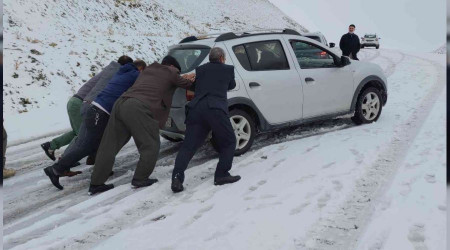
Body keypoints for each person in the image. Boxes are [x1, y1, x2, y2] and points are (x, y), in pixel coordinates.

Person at [88, 56, 195, 195]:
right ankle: (140, 178)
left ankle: (96, 183)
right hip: (139, 107)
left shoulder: (149, 69)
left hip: (122, 102)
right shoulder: (171, 72)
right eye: (177, 71)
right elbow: (188, 84)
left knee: (109, 145)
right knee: (150, 144)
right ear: (173, 67)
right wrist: (192, 78)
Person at [43, 60, 147, 190]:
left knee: (88, 143)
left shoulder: (122, 72)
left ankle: (60, 169)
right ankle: (56, 169)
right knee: (85, 145)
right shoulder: (133, 74)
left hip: (93, 108)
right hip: (99, 111)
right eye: (143, 71)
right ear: (141, 69)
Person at [171, 47, 240, 193]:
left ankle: (177, 178)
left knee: (188, 146)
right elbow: (231, 85)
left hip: (196, 109)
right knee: (229, 142)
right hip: (215, 110)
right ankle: (221, 175)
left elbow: (195, 87)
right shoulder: (228, 69)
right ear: (221, 58)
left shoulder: (200, 69)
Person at [40, 55, 133, 161]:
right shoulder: (115, 73)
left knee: (79, 132)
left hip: (75, 101)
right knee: (83, 136)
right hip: (81, 103)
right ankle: (64, 159)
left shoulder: (110, 70)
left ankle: (51, 146)